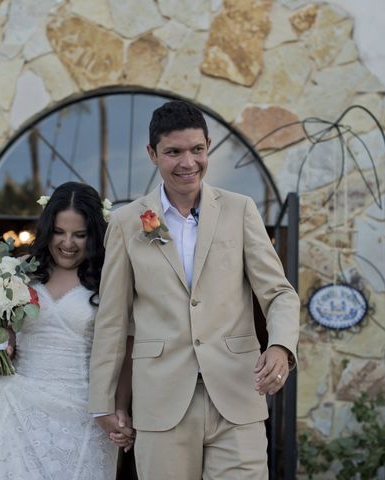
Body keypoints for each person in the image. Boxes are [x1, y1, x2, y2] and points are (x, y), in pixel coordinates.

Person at [88, 100, 300, 479]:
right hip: (160, 399)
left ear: (208, 146)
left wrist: (281, 347)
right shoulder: (125, 222)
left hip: (237, 393)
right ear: (152, 154)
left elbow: (280, 293)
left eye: (197, 150)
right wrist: (103, 401)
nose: (188, 163)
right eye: (174, 152)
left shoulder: (241, 210)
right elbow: (113, 319)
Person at [0, 182, 133, 479]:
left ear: (94, 235)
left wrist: (120, 407)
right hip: (16, 401)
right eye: (59, 232)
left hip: (81, 409)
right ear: (48, 229)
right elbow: (6, 330)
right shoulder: (21, 271)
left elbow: (124, 348)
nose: (68, 243)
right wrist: (0, 343)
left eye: (80, 235)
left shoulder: (108, 279)